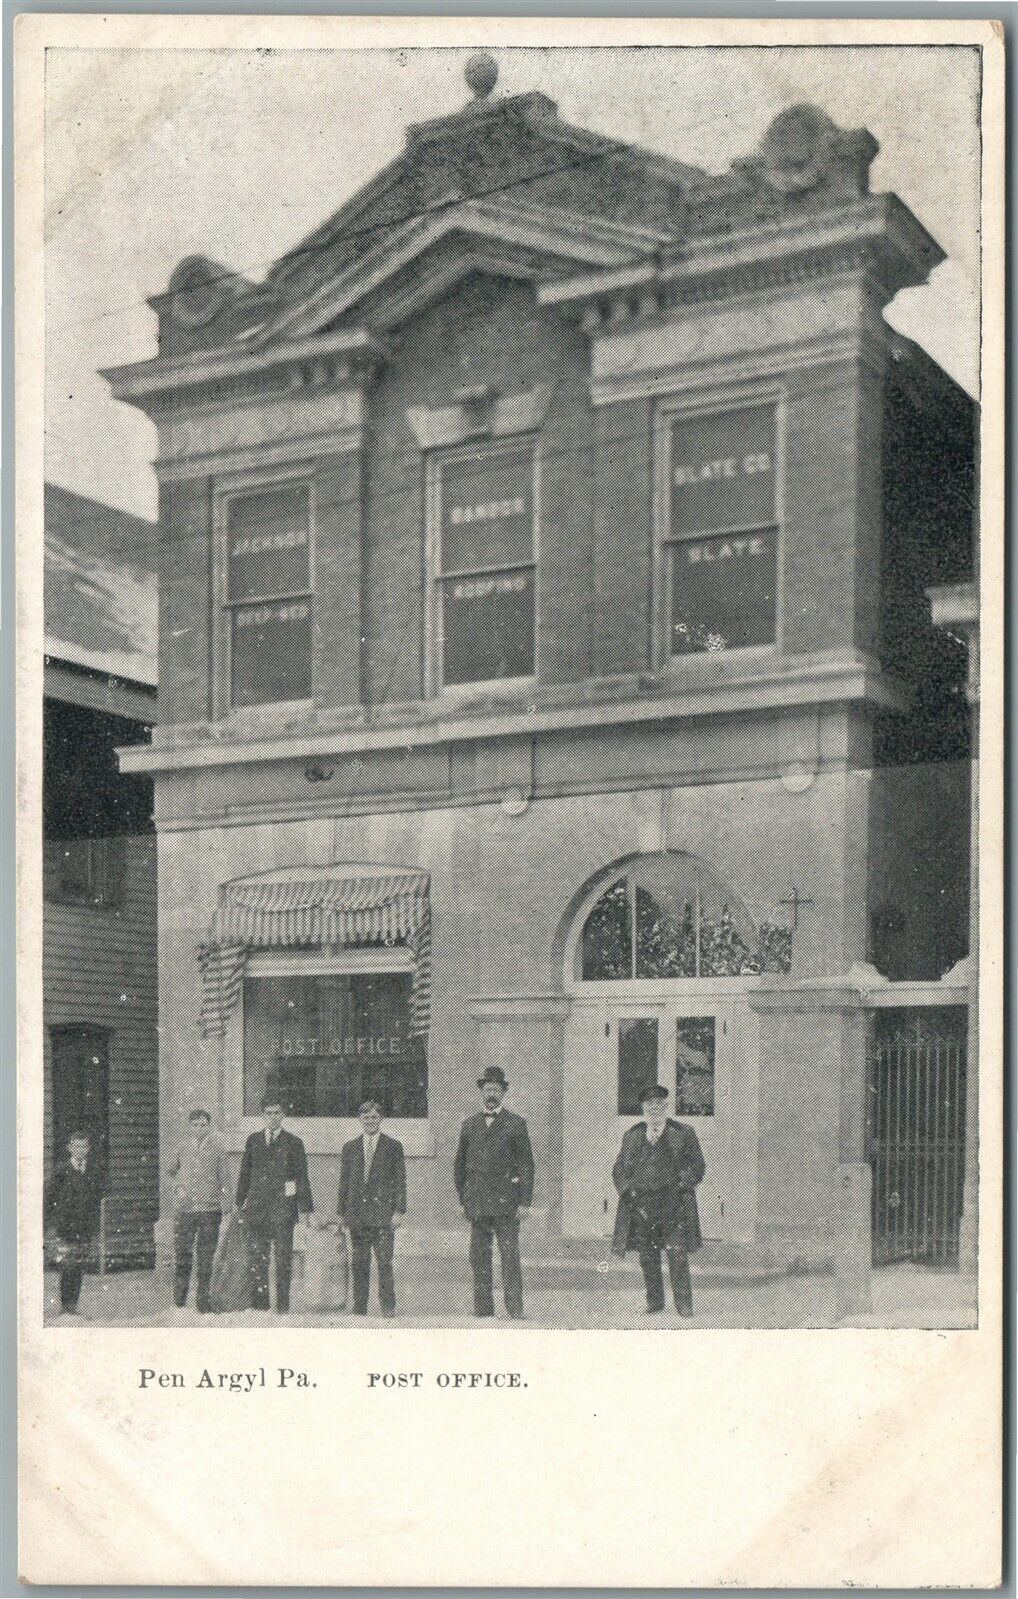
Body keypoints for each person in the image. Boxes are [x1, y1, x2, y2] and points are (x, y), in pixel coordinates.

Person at [611, 1082, 705, 1317]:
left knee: (677, 1255)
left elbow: (698, 1166)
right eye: (648, 1105)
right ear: (643, 1109)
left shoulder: (683, 1133)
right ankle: (655, 1302)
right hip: (642, 1207)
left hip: (673, 1206)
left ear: (666, 1106)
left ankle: (684, 1305)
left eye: (658, 1104)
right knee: (647, 1256)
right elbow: (618, 1168)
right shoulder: (632, 1136)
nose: (653, 1109)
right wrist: (626, 1191)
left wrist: (683, 1184)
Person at [454, 1066, 534, 1320]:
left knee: (510, 1256)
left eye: (496, 1090)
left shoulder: (516, 1124)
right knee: (479, 1257)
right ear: (481, 1092)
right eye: (487, 1089)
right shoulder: (469, 1125)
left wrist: (524, 1202)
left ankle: (515, 1309)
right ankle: (483, 1309)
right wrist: (463, 1200)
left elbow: (526, 1165)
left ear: (504, 1093)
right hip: (477, 1204)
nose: (491, 1094)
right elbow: (460, 1166)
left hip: (506, 1204)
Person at [235, 1092, 314, 1313]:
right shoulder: (253, 1140)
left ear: (283, 1115)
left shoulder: (294, 1143)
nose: (272, 1117)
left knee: (283, 1261)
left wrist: (305, 1209)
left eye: (277, 1113)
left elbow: (302, 1177)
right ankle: (260, 1306)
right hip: (257, 1211)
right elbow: (245, 1174)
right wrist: (238, 1202)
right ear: (262, 1115)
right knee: (258, 1260)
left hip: (283, 1211)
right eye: (268, 1113)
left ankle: (282, 1308)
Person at [338, 1100, 406, 1318]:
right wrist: (342, 1214)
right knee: (359, 1264)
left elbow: (400, 1181)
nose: (370, 1122)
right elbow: (344, 1183)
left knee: (384, 1263)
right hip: (357, 1217)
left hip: (383, 1217)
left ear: (381, 1119)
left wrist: (398, 1211)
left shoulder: (393, 1146)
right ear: (360, 1120)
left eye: (374, 1117)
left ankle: (388, 1307)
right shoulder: (350, 1148)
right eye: (366, 1118)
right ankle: (360, 1309)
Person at [168, 1108, 229, 1313]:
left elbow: (225, 1177)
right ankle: (179, 1302)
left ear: (209, 1126)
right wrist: (179, 1188)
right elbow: (171, 1170)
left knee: (206, 1257)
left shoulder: (218, 1147)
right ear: (190, 1126)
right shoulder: (182, 1146)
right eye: (195, 1125)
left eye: (203, 1125)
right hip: (185, 1211)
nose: (199, 1128)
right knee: (183, 1255)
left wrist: (226, 1203)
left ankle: (203, 1303)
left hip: (209, 1210)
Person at [45, 1132, 103, 1316]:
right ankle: (65, 1308)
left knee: (78, 1268)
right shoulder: (60, 1171)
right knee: (67, 1267)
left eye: (84, 1146)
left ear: (88, 1149)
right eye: (77, 1146)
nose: (80, 1150)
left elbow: (95, 1201)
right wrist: (49, 1227)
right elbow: (48, 1199)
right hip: (64, 1229)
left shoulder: (93, 1171)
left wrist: (94, 1230)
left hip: (83, 1228)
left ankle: (73, 1308)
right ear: (70, 1148)